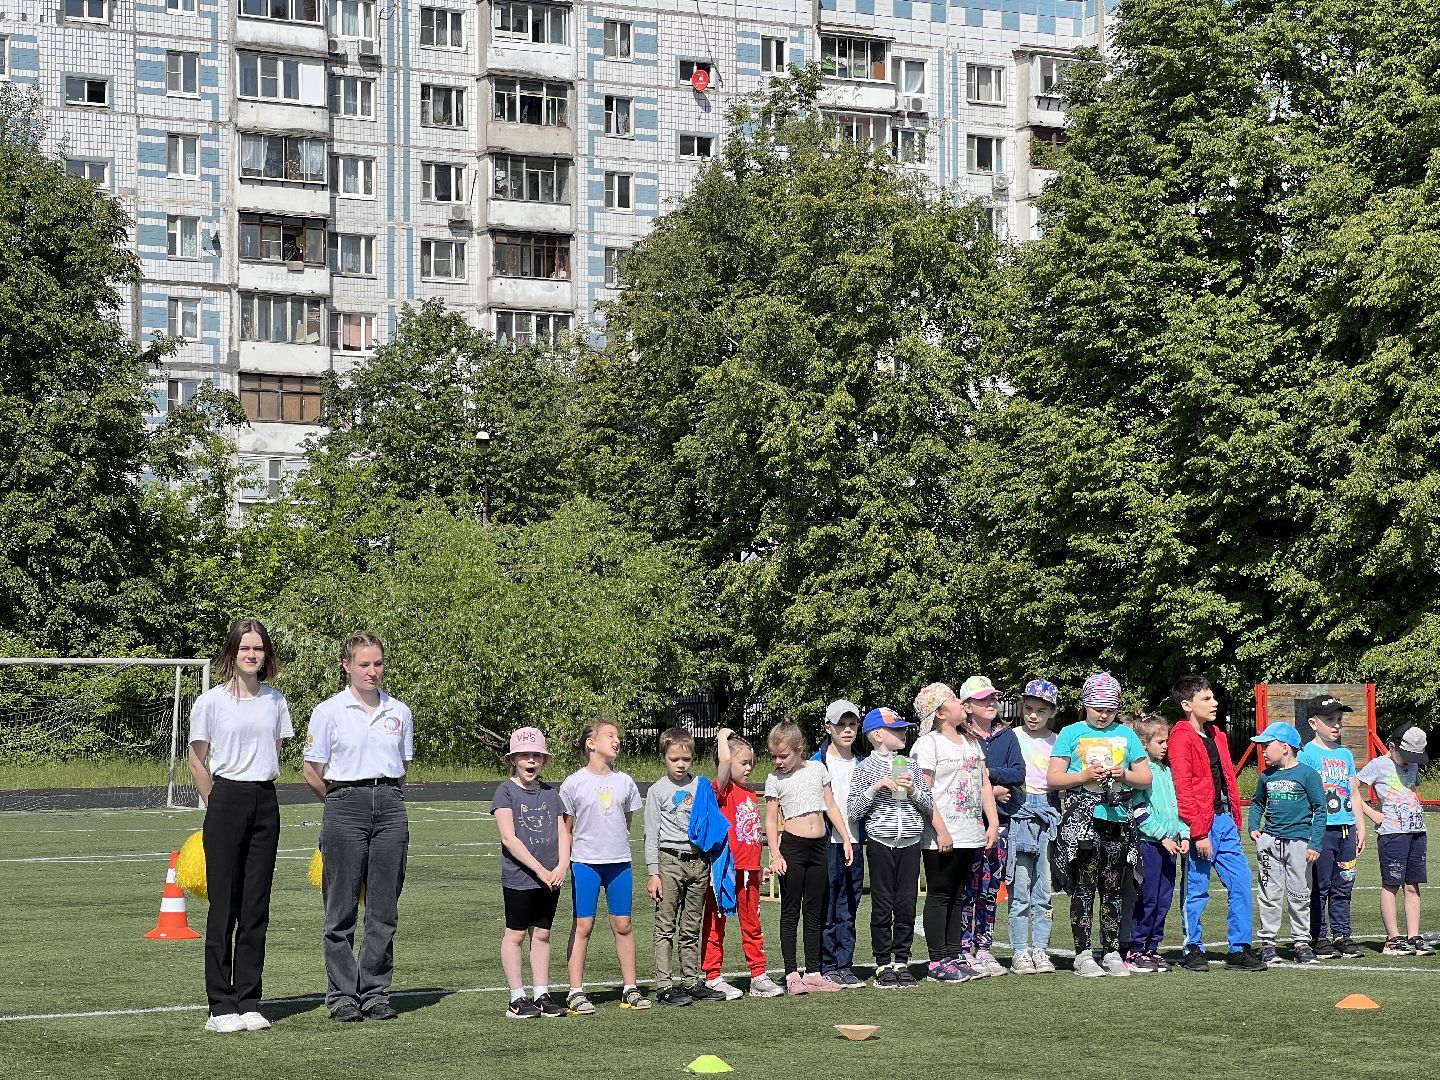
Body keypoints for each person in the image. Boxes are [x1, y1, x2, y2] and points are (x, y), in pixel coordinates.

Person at [187, 618, 293, 1034]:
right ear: (231, 653)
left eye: (259, 649)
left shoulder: (275, 701)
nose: (253, 655)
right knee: (225, 907)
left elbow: (276, 750)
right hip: (226, 799)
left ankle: (249, 1000)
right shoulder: (210, 702)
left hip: (265, 800)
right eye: (246, 648)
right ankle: (220, 1005)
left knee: (256, 907)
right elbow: (198, 759)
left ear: (266, 655)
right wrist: (217, 803)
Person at [302, 631, 414, 1022]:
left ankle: (376, 992)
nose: (372, 671)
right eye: (364, 664)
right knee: (340, 911)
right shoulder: (329, 711)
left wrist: (384, 799)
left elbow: (403, 768)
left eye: (378, 663)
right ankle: (342, 996)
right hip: (343, 805)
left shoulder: (399, 711)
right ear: (347, 666)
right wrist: (338, 801)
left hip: (390, 806)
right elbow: (312, 771)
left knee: (384, 910)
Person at [1048, 672, 1151, 977]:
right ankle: (1082, 953)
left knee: (1113, 889)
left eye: (1110, 708)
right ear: (1086, 704)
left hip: (1117, 819)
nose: (1104, 714)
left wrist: (1124, 775)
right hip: (1083, 821)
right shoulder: (1070, 732)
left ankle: (1111, 951)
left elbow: (1145, 778)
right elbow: (1054, 779)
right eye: (1098, 707)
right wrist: (1083, 776)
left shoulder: (1127, 735)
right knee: (1084, 887)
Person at [1168, 674, 1265, 972]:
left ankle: (1239, 949)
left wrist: (1233, 818)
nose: (1215, 703)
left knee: (1240, 882)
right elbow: (1183, 788)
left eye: (1213, 697)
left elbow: (1226, 781)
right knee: (1196, 887)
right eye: (1206, 699)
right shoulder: (1181, 737)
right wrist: (1198, 832)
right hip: (1201, 825)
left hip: (1224, 821)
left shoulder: (1218, 735)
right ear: (1187, 705)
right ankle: (1193, 948)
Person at [560, 717, 650, 1014]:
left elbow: (627, 821)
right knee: (583, 925)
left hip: (619, 864)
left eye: (618, 736)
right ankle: (575, 991)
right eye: (610, 735)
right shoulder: (574, 783)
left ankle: (630, 988)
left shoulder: (624, 782)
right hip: (585, 863)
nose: (616, 740)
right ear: (591, 743)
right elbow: (567, 828)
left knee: (623, 925)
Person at [912, 682, 997, 983]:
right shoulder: (928, 744)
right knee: (939, 893)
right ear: (939, 714)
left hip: (971, 830)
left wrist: (993, 822)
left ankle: (954, 955)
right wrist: (940, 829)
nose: (960, 701)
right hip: (942, 833)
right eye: (952, 698)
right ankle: (937, 961)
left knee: (959, 895)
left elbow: (984, 783)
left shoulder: (971, 741)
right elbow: (923, 790)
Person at [763, 720, 853, 995]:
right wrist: (776, 854)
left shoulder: (817, 768)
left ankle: (813, 972)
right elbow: (769, 820)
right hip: (793, 849)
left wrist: (846, 838)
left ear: (799, 750)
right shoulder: (774, 780)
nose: (778, 761)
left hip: (819, 849)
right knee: (790, 913)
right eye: (774, 756)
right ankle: (792, 974)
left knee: (815, 913)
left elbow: (831, 805)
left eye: (784, 755)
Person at [848, 707, 932, 988]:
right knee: (883, 906)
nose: (903, 733)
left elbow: (929, 805)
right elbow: (854, 812)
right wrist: (874, 788)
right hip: (881, 843)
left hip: (909, 843)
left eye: (903, 728)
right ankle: (883, 963)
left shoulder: (912, 765)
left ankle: (902, 961)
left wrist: (914, 791)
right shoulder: (863, 768)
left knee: (906, 905)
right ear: (877, 735)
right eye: (897, 729)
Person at [492, 726, 569, 1019]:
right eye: (525, 755)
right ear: (514, 759)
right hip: (521, 877)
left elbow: (563, 833)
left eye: (536, 755)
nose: (531, 761)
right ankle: (516, 998)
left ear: (544, 760)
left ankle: (541, 994)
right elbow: (508, 838)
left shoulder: (551, 794)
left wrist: (561, 866)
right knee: (516, 934)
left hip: (551, 878)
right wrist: (540, 870)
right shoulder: (506, 791)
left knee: (543, 933)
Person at [701, 729, 783, 999]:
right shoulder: (720, 790)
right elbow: (723, 763)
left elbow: (751, 835)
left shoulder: (749, 793)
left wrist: (759, 867)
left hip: (749, 871)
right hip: (725, 870)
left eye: (751, 762)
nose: (749, 767)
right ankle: (712, 976)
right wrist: (723, 738)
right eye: (743, 762)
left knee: (753, 925)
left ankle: (758, 975)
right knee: (717, 922)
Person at [644, 727, 723, 1006]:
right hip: (670, 861)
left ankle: (691, 980)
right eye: (674, 759)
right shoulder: (657, 791)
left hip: (698, 861)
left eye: (686, 759)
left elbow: (712, 820)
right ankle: (664, 985)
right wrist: (654, 872)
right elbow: (651, 834)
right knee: (665, 926)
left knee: (691, 926)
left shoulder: (700, 785)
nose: (680, 765)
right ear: (664, 757)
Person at [956, 675, 1023, 976]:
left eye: (993, 697)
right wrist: (991, 790)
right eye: (983, 699)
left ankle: (983, 948)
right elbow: (958, 778)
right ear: (967, 706)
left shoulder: (1006, 736)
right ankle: (961, 948)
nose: (991, 702)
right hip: (966, 825)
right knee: (966, 890)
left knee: (990, 889)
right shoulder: (959, 737)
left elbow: (1017, 773)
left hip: (1000, 824)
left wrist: (987, 774)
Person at [1247, 722, 1325, 966]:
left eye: (1266, 745)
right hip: (1270, 841)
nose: (1262, 750)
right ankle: (1268, 943)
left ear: (1285, 747)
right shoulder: (1266, 776)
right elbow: (1257, 803)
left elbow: (1320, 809)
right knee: (1269, 893)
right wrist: (1253, 827)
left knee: (1300, 894)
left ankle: (1301, 942)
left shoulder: (1307, 774)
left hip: (1300, 843)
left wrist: (1315, 843)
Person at [1297, 695, 1368, 959]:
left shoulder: (1345, 753)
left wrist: (1361, 826)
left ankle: (1342, 935)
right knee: (1320, 886)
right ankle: (1319, 936)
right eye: (1330, 721)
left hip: (1346, 830)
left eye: (1339, 720)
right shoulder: (1307, 754)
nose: (1336, 726)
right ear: (1314, 723)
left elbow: (1353, 792)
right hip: (1322, 831)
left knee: (1344, 885)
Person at [1356, 724, 1433, 956]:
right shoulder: (1378, 765)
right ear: (1392, 746)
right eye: (1408, 755)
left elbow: (1410, 791)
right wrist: (1372, 814)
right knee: (1391, 884)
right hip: (1392, 834)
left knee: (1412, 885)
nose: (1411, 760)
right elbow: (1351, 787)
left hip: (1417, 832)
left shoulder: (1412, 767)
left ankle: (1413, 936)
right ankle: (1393, 939)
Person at [1125, 713, 1190, 973]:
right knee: (1148, 897)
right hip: (1150, 845)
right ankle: (1135, 949)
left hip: (1170, 846)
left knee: (1164, 898)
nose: (1166, 746)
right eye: (1160, 741)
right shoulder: (1141, 773)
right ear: (1143, 744)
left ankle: (1153, 947)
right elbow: (1138, 810)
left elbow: (1178, 808)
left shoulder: (1167, 771)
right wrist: (1161, 835)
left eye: (1167, 741)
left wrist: (1183, 833)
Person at [1007, 679, 1061, 975]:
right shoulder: (1012, 736)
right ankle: (1019, 951)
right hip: (1019, 809)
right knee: (1019, 886)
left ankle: (1040, 949)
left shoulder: (1058, 740)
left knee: (1044, 886)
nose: (1033, 715)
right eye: (1028, 708)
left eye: (1041, 710)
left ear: (1052, 711)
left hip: (1050, 810)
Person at [813, 699, 865, 987]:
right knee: (828, 905)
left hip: (855, 842)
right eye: (840, 724)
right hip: (826, 843)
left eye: (852, 724)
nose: (847, 730)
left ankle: (845, 965)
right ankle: (827, 964)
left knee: (850, 906)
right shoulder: (816, 762)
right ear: (828, 727)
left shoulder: (862, 763)